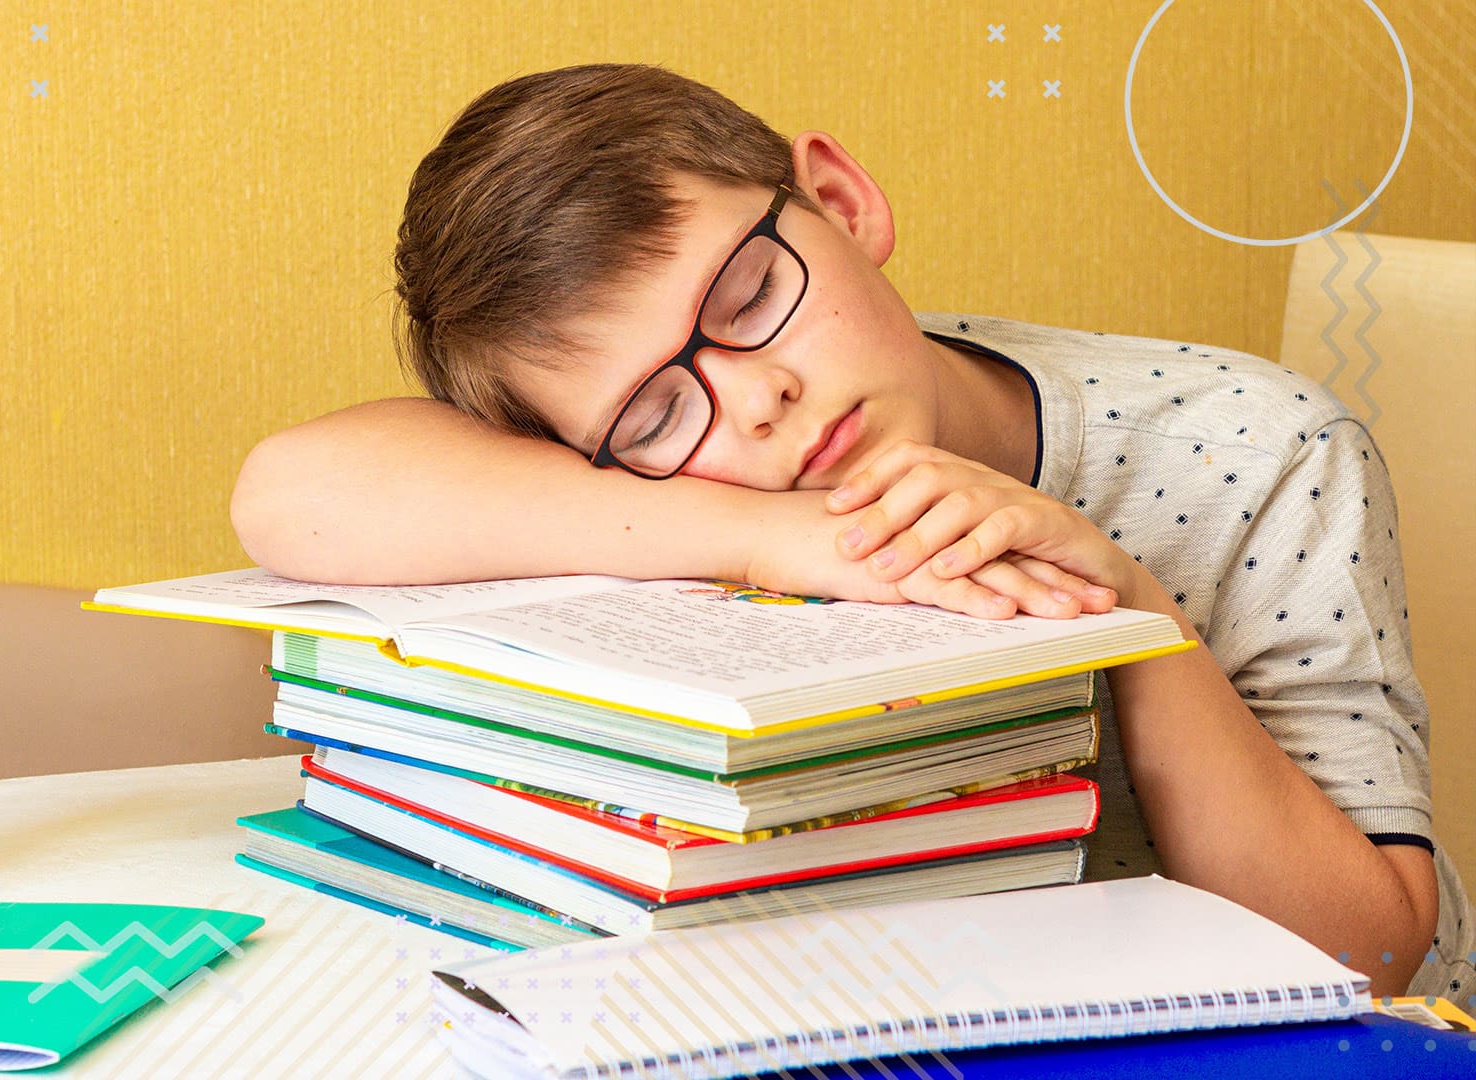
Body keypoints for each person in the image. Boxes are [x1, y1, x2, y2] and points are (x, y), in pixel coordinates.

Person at [230, 63, 1469, 1000]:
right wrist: (770, 538)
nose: (757, 398)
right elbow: (290, 491)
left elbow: (1366, 955)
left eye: (755, 296)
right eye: (658, 409)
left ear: (839, 200)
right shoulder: (686, 486)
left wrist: (1133, 618)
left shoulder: (1264, 447)